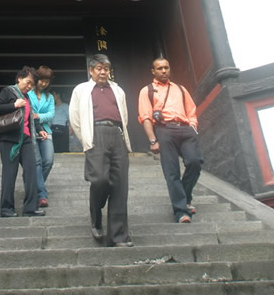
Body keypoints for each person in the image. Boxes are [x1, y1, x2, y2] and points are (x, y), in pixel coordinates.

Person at [69, 54, 133, 247]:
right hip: (95, 134)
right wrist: (86, 139)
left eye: (106, 68)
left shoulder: (118, 90)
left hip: (117, 134)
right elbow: (75, 117)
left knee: (120, 185)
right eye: (99, 68)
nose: (103, 71)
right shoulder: (81, 89)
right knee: (99, 179)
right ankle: (96, 217)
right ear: (91, 70)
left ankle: (119, 236)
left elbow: (124, 115)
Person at [138, 57, 203, 224]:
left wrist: (193, 126)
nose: (164, 71)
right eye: (159, 68)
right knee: (171, 171)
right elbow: (145, 117)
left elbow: (192, 110)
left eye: (166, 67)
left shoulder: (180, 89)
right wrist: (153, 140)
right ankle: (181, 211)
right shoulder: (147, 91)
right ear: (153, 71)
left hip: (185, 129)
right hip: (165, 130)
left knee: (195, 162)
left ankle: (186, 196)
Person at [0, 66, 48, 218]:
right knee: (9, 174)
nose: (29, 86)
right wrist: (14, 105)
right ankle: (6, 209)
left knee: (31, 172)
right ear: (19, 79)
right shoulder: (8, 91)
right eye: (28, 82)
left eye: (32, 84)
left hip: (27, 139)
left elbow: (30, 117)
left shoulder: (28, 97)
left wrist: (39, 129)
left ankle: (30, 208)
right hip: (9, 140)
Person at [28, 65, 55, 208]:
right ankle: (41, 194)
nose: (44, 83)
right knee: (37, 162)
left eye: (47, 81)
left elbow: (51, 114)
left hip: (45, 131)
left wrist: (38, 116)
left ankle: (32, 184)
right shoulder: (28, 93)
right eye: (42, 80)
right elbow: (27, 112)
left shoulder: (49, 97)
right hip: (31, 131)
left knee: (49, 161)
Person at [51, 88, 70, 153]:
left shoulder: (65, 106)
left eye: (54, 95)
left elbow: (70, 118)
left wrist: (71, 128)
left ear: (58, 95)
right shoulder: (53, 107)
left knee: (63, 148)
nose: (52, 97)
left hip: (62, 128)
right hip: (53, 128)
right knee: (54, 149)